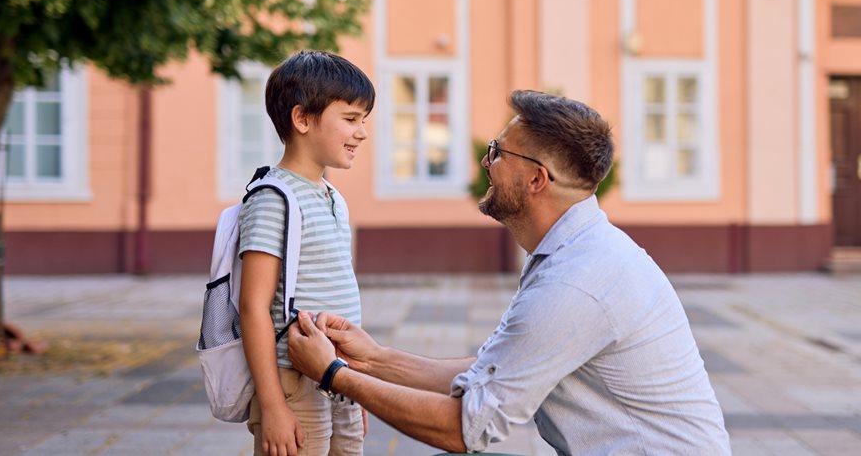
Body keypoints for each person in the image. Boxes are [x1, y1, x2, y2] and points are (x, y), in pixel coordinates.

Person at [287, 90, 732, 455]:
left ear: (537, 180)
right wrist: (373, 358)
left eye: (498, 152)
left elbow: (465, 429)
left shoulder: (576, 281)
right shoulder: (574, 252)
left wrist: (335, 376)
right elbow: (495, 371)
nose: (486, 162)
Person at [239, 50, 374, 456]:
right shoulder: (273, 198)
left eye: (363, 120)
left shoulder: (333, 196)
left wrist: (357, 383)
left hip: (337, 375)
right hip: (293, 379)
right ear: (302, 119)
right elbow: (252, 307)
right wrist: (274, 405)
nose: (362, 132)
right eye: (351, 119)